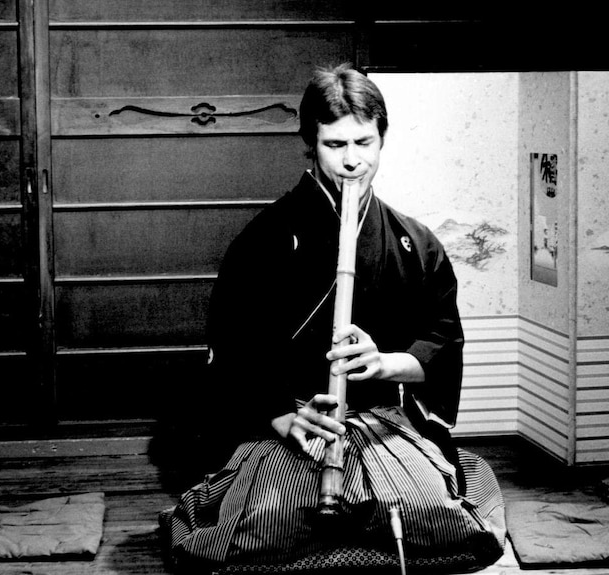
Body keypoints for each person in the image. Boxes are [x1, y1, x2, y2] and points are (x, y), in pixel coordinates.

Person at [159, 63, 505, 572]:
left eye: (364, 143)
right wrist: (282, 414)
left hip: (381, 421)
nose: (351, 161)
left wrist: (384, 363)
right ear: (311, 144)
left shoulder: (414, 242)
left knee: (431, 516)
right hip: (291, 421)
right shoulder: (263, 240)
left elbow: (442, 340)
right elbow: (233, 347)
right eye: (335, 145)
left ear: (382, 139)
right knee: (266, 522)